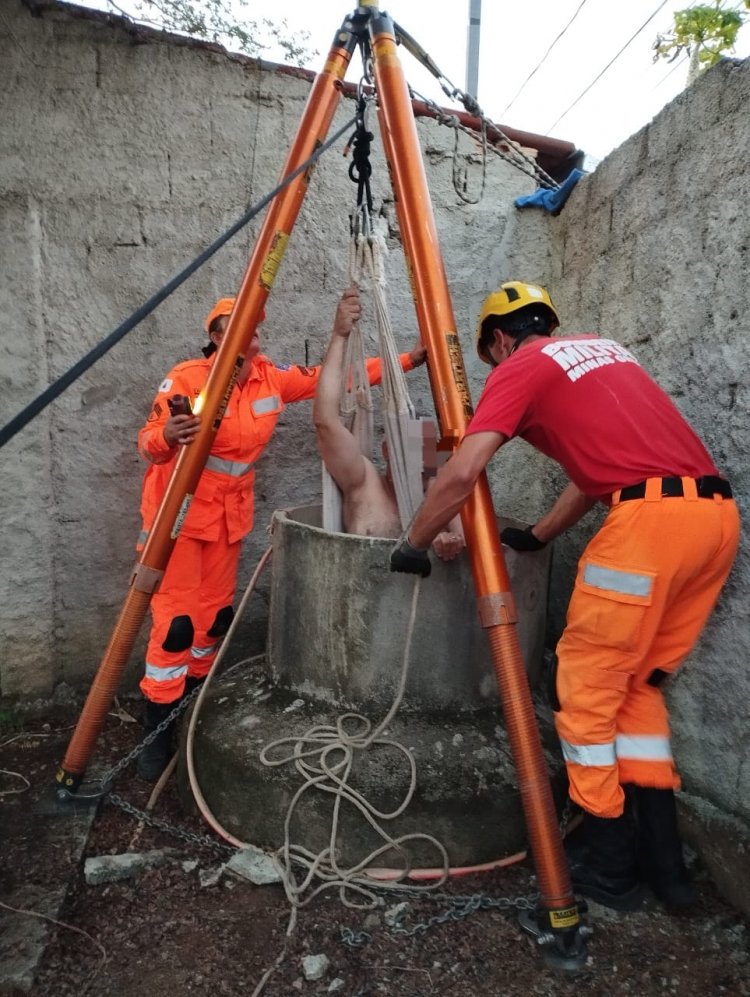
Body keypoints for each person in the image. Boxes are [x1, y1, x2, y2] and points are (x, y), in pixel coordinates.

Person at [389, 280, 740, 912]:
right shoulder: (605, 352)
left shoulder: (519, 367)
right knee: (635, 689)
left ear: (498, 339)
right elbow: (601, 470)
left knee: (580, 694)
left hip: (647, 533)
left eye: (489, 354)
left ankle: (607, 869)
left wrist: (414, 541)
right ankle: (669, 873)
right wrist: (539, 534)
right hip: (713, 524)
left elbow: (465, 470)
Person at [135, 289, 426, 780]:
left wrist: (408, 361)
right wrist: (168, 436)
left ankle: (190, 711)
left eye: (250, 326)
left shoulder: (271, 377)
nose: (244, 334)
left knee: (213, 622)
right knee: (176, 626)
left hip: (228, 519)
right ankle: (156, 735)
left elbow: (340, 379)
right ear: (214, 335)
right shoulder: (188, 378)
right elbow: (150, 441)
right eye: (230, 326)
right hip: (182, 519)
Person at [313, 286, 465, 559]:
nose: (417, 467)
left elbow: (469, 554)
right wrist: (339, 336)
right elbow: (325, 421)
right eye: (408, 454)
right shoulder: (363, 481)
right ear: (387, 451)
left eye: (425, 458)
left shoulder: (440, 500)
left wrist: (449, 542)